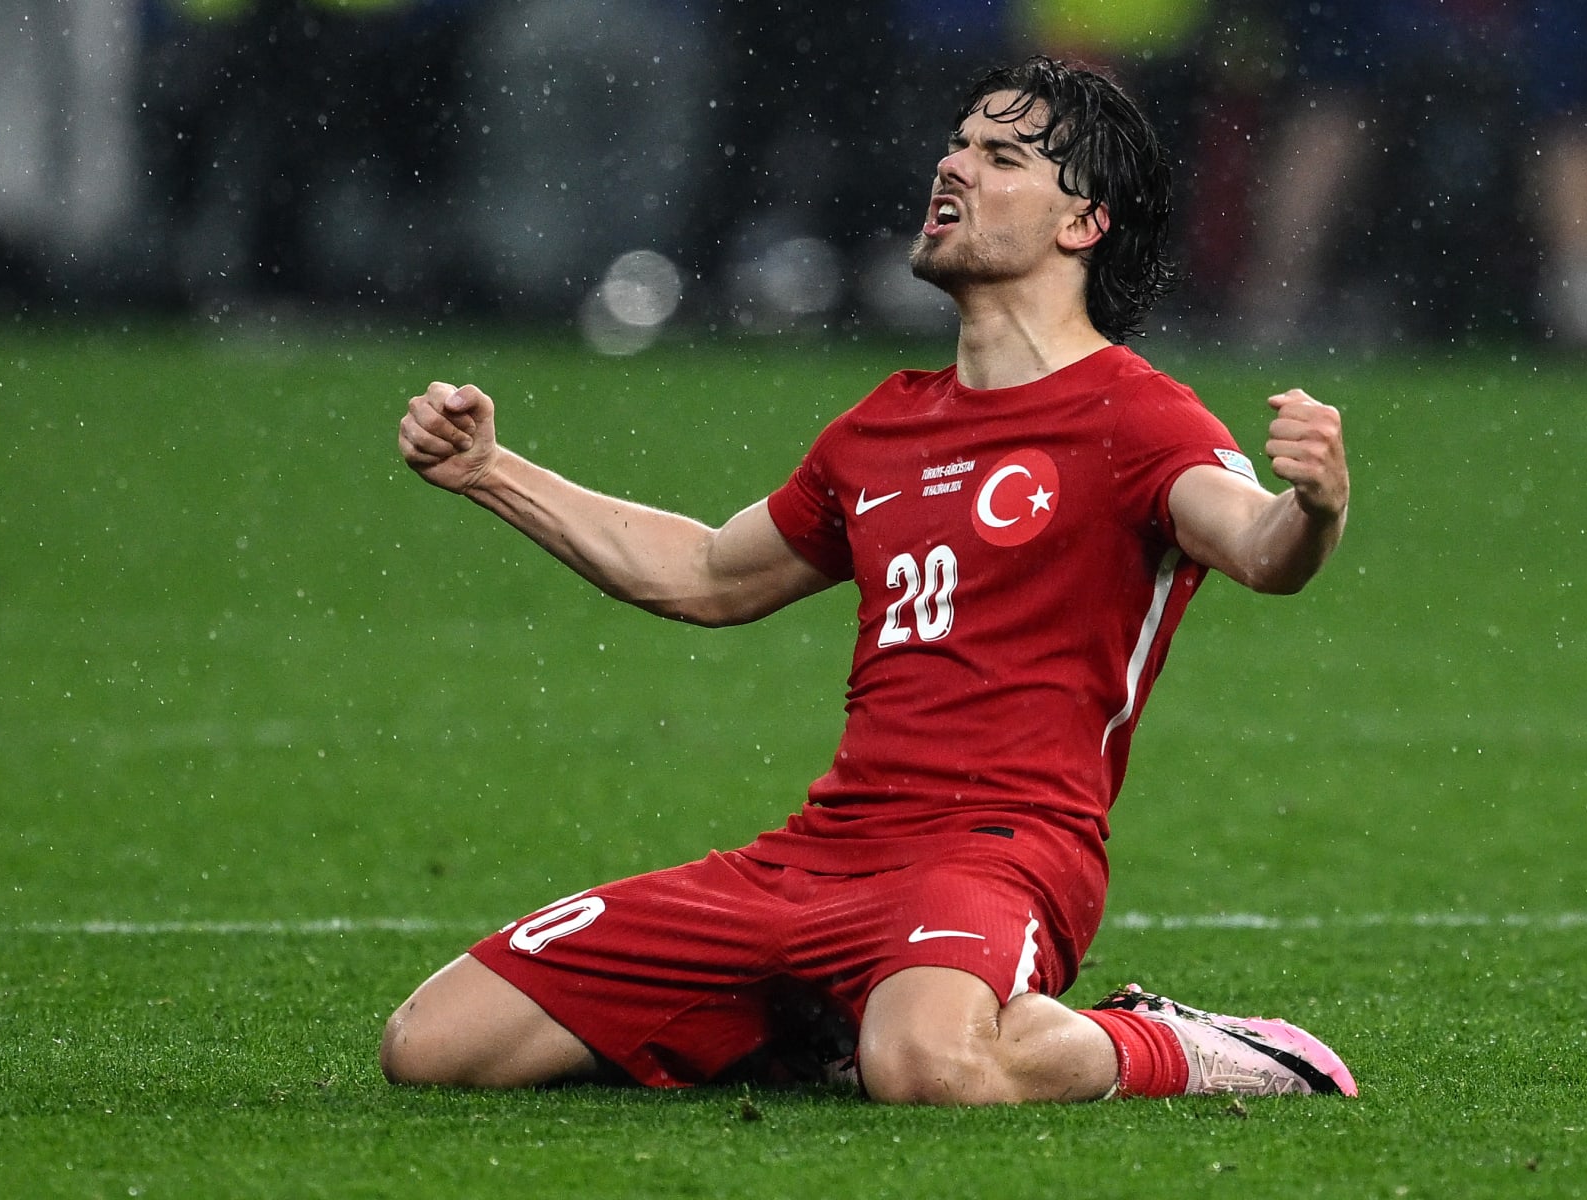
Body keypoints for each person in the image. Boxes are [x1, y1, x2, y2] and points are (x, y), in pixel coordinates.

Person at [384, 55, 1356, 1105]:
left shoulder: (1137, 415)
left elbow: (1260, 551)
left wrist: (1314, 507)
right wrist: (489, 472)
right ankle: (818, 1019)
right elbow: (707, 574)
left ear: (1084, 223)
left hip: (999, 853)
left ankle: (1183, 1046)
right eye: (957, 144)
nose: (954, 166)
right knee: (432, 1047)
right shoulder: (883, 425)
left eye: (1002, 156)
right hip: (819, 853)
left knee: (928, 1067)